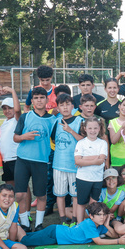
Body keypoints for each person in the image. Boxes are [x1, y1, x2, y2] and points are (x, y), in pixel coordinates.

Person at [13, 86, 59, 231]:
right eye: (36, 98)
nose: (39, 101)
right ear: (32, 101)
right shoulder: (25, 117)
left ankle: (39, 224)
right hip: (23, 160)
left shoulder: (53, 120)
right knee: (20, 194)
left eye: (42, 98)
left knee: (41, 195)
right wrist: (24, 136)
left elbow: (55, 140)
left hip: (41, 162)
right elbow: (15, 138)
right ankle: (25, 223)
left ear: (47, 100)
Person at [21, 201, 124, 246]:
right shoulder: (90, 223)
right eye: (99, 215)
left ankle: (17, 232)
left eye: (104, 215)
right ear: (91, 216)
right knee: (25, 241)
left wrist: (106, 225)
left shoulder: (100, 225)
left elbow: (113, 235)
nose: (102, 217)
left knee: (29, 236)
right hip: (55, 234)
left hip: (57, 235)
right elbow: (99, 241)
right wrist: (118, 242)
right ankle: (15, 231)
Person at [51, 93, 84, 225]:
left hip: (74, 166)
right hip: (59, 165)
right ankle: (63, 220)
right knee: (60, 194)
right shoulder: (56, 122)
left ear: (72, 107)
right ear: (58, 108)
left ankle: (74, 219)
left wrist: (70, 131)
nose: (65, 107)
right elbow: (53, 139)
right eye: (61, 105)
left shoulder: (79, 121)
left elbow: (83, 140)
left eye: (67, 104)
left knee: (75, 195)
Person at [73, 116, 108, 225]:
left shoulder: (102, 143)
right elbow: (77, 161)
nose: (93, 131)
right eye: (90, 128)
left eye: (95, 128)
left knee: (94, 204)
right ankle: (79, 225)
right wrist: (95, 159)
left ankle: (93, 224)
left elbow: (101, 160)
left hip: (97, 179)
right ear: (85, 128)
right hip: (83, 178)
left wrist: (84, 159)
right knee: (81, 203)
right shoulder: (81, 143)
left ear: (99, 128)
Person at [0, 89, 26, 211]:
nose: (7, 111)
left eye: (10, 108)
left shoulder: (17, 120)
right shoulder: (4, 123)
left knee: (22, 188)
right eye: (4, 108)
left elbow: (18, 111)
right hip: (6, 160)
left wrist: (13, 91)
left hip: (16, 158)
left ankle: (26, 212)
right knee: (10, 188)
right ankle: (13, 211)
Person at [108, 97, 125, 168]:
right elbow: (113, 141)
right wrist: (122, 127)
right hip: (117, 160)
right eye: (124, 105)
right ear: (119, 106)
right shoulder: (112, 122)